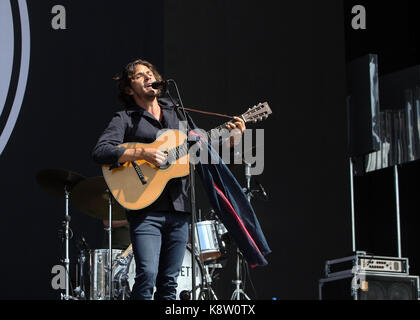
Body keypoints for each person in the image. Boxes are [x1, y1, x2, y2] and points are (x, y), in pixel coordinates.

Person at [92, 58, 245, 300]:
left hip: (179, 208)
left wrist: (231, 139)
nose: (147, 77)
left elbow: (201, 147)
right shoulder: (125, 118)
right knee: (146, 276)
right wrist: (143, 152)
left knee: (169, 284)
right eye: (140, 75)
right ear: (128, 89)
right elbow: (101, 151)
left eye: (149, 73)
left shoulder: (176, 110)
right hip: (146, 210)